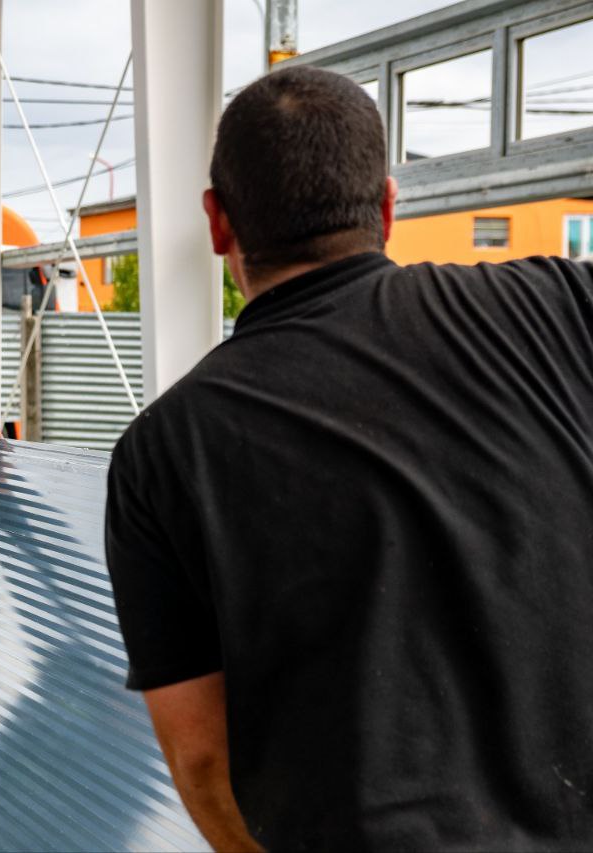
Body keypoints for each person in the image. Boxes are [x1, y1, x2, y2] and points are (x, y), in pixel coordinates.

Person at [104, 65, 593, 850]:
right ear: (388, 208)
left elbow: (202, 759)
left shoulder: (162, 451)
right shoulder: (564, 305)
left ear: (217, 222)